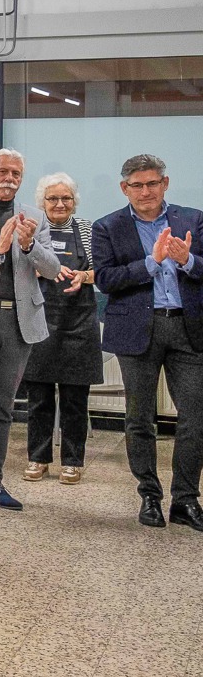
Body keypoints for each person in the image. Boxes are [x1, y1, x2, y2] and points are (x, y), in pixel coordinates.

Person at [91, 154, 203, 532]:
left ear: (165, 183)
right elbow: (106, 279)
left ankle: (185, 500)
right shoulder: (108, 226)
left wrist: (188, 261)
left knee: (195, 417)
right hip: (137, 328)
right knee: (140, 418)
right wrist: (151, 262)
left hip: (188, 329)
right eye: (136, 185)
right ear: (124, 188)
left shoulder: (193, 219)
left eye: (152, 183)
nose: (145, 192)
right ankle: (149, 495)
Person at [0, 149, 60, 512]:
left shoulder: (35, 216)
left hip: (18, 319)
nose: (9, 178)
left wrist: (28, 244)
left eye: (16, 173)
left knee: (1, 406)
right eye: (3, 172)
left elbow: (53, 269)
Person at [22, 173, 103, 486]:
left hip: (78, 322)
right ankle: (38, 458)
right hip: (40, 320)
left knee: (75, 400)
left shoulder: (87, 229)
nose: (59, 204)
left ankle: (72, 462)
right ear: (42, 202)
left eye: (65, 198)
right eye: (52, 198)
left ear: (74, 201)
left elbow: (102, 272)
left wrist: (83, 276)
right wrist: (44, 270)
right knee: (39, 398)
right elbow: (18, 269)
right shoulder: (32, 229)